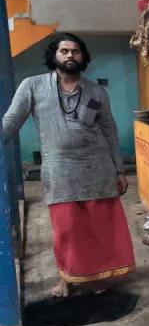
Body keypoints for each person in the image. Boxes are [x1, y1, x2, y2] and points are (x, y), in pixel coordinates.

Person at [2, 32, 135, 297]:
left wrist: (119, 170)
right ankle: (66, 278)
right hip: (60, 171)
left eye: (75, 51)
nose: (70, 56)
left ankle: (99, 276)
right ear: (54, 55)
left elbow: (109, 130)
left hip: (98, 169)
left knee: (98, 228)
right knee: (67, 230)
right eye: (64, 51)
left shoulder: (96, 92)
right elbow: (11, 120)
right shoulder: (33, 86)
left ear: (83, 57)